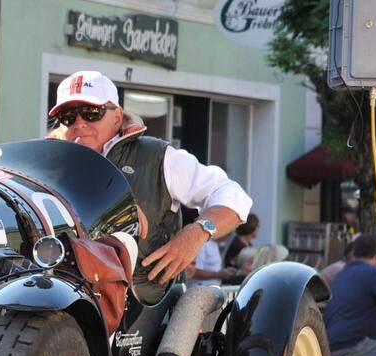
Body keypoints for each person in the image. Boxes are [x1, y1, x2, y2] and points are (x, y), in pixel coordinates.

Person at [49, 70, 252, 300]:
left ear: (117, 116)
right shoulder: (46, 166)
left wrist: (197, 232)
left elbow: (230, 194)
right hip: (64, 298)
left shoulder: (157, 156)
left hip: (142, 306)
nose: (79, 123)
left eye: (91, 112)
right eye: (68, 116)